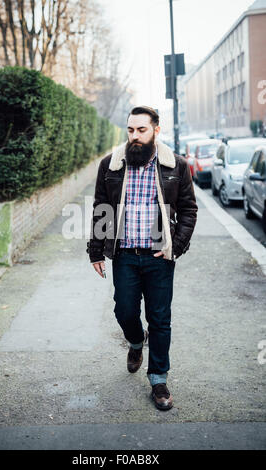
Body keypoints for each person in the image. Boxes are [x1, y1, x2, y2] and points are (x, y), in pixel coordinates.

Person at [87, 106, 198, 411]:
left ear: (156, 131)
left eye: (141, 130)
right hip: (124, 255)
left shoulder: (175, 165)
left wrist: (176, 245)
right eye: (130, 130)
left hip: (159, 256)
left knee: (160, 319)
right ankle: (137, 342)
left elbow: (189, 209)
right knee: (124, 312)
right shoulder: (111, 165)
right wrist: (96, 250)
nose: (134, 137)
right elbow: (101, 207)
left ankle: (159, 379)